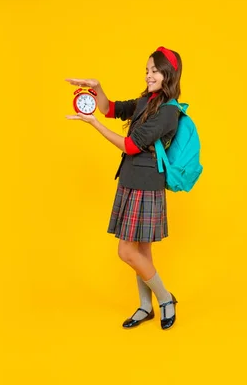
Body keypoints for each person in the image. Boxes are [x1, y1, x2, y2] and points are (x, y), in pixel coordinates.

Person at [65, 46, 183, 330]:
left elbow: (131, 145)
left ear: (170, 74)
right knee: (142, 251)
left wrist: (92, 125)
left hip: (147, 185)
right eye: (146, 70)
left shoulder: (168, 112)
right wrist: (98, 88)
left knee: (127, 252)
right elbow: (111, 109)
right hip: (131, 179)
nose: (149, 75)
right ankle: (145, 306)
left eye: (155, 70)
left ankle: (165, 298)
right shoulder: (147, 101)